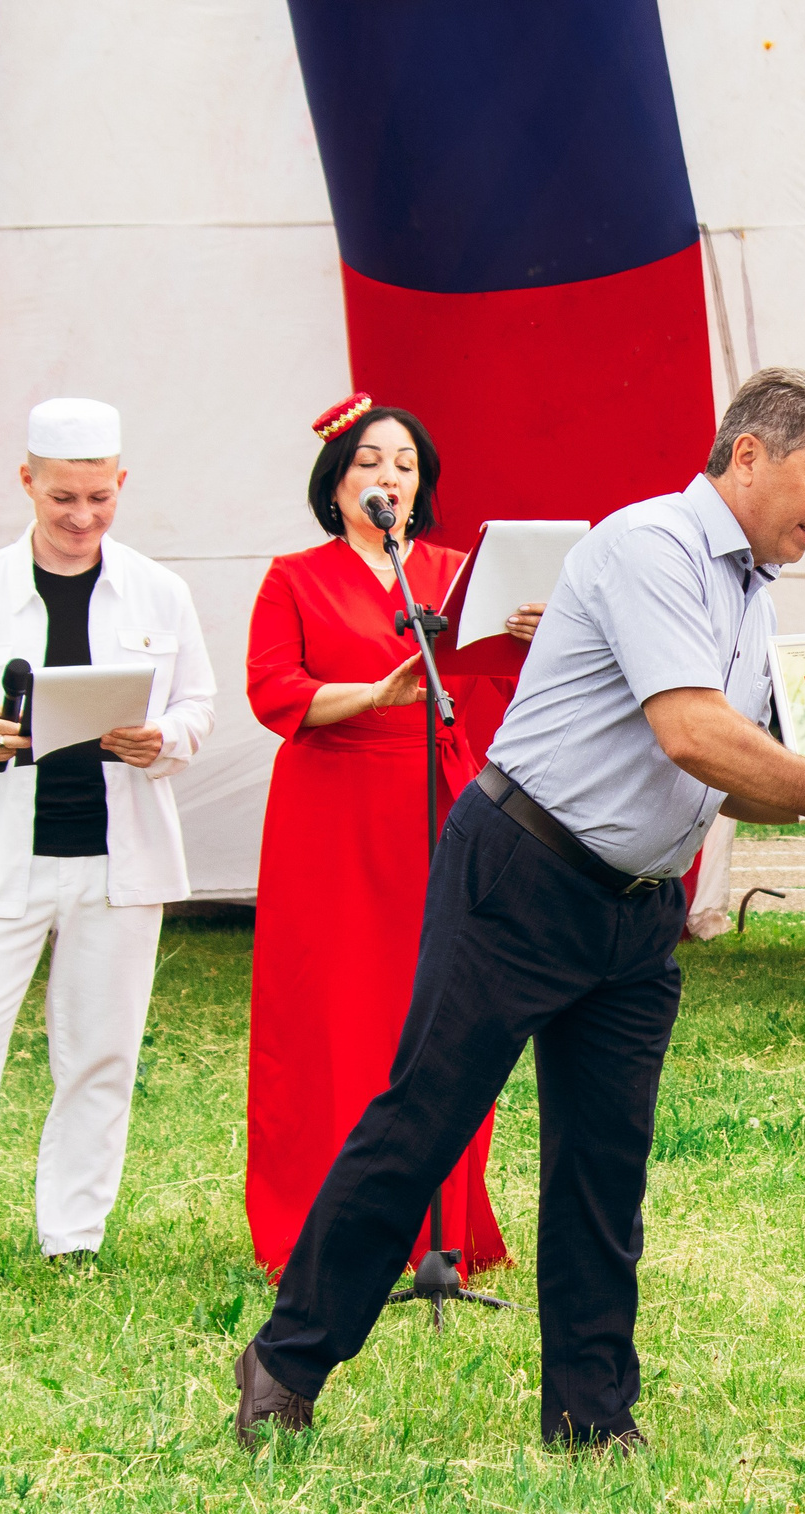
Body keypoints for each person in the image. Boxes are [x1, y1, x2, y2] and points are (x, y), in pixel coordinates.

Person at [232, 367, 805, 1451]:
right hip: (525, 871)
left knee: (606, 1162)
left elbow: (726, 778)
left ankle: (590, 1413)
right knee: (423, 1123)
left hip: (637, 910)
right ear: (749, 455)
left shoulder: (753, 588)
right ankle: (287, 1356)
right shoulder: (650, 546)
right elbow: (693, 732)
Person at [0, 398, 217, 1289]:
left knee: (102, 1050)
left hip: (118, 859)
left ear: (121, 485)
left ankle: (74, 1233)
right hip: (2, 855)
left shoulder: (160, 590)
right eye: (64, 498)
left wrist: (165, 740)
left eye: (100, 500)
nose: (81, 518)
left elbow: (197, 706)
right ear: (26, 482)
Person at [244, 393, 541, 1282]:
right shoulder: (293, 575)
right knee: (336, 1008)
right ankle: (325, 1218)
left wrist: (528, 636)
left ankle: (442, 1221)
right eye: (371, 462)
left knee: (447, 1004)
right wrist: (376, 694)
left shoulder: (455, 573)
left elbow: (503, 687)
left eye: (406, 467)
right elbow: (274, 694)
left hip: (442, 797)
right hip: (331, 813)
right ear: (337, 483)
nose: (389, 479)